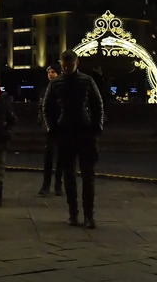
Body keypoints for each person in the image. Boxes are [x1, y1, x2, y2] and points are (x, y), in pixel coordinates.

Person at [43, 49, 104, 229]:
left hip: (85, 132)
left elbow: (98, 105)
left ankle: (88, 215)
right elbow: (47, 108)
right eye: (65, 65)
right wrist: (52, 129)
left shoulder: (87, 81)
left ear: (76, 63)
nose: (67, 68)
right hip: (65, 133)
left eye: (70, 65)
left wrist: (97, 129)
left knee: (88, 176)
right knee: (69, 175)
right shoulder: (56, 84)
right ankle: (73, 213)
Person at [37, 66, 63, 196]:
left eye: (53, 72)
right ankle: (46, 186)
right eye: (49, 72)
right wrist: (43, 123)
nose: (51, 74)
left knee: (61, 158)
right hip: (49, 127)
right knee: (48, 157)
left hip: (61, 126)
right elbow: (41, 108)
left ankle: (58, 185)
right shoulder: (44, 90)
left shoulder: (63, 88)